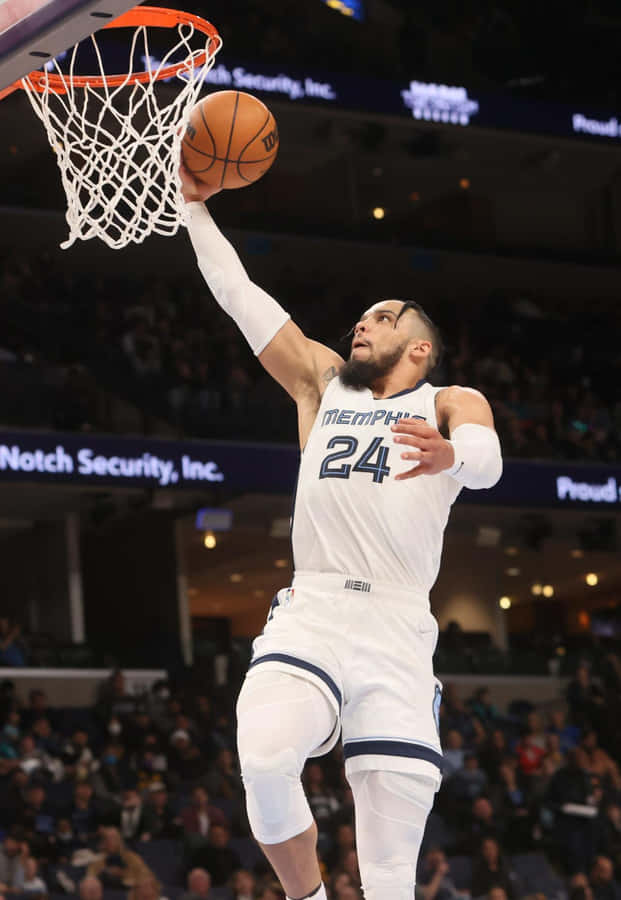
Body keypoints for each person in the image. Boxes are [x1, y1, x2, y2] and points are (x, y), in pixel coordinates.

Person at [180, 168, 503, 900]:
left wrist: (454, 453)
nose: (362, 323)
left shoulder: (450, 399)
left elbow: (485, 463)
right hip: (315, 610)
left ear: (418, 347)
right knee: (262, 760)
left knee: (390, 878)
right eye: (361, 317)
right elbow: (239, 296)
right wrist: (192, 208)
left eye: (382, 317)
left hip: (395, 626)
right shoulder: (322, 385)